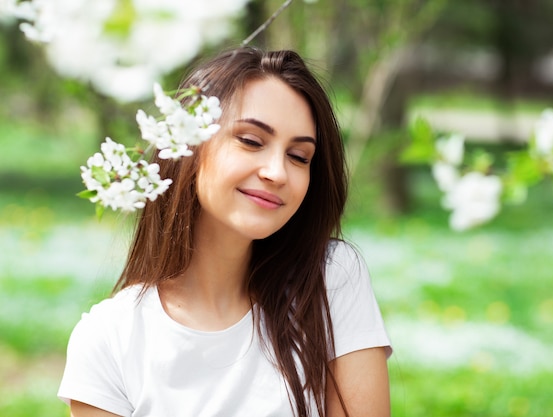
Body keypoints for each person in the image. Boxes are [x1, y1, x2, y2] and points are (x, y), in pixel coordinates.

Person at [58, 47, 392, 417]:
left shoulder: (329, 279)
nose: (277, 173)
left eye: (299, 156)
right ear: (187, 145)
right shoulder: (109, 339)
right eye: (251, 141)